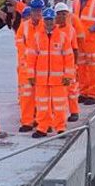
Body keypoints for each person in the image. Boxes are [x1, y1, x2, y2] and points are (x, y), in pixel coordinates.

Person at [27, 7, 76, 138]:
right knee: (42, 105)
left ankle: (60, 128)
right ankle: (42, 128)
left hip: (59, 79)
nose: (49, 22)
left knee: (59, 105)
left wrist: (68, 76)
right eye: (47, 19)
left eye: (51, 19)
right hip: (41, 79)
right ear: (44, 20)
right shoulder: (37, 37)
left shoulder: (62, 37)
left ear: (55, 20)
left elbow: (69, 58)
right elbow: (31, 58)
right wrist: (30, 75)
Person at [17, 0, 45, 131]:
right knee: (26, 96)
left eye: (39, 11)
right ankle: (27, 122)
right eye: (35, 11)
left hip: (42, 67)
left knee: (43, 97)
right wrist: (27, 58)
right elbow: (19, 42)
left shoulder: (47, 25)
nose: (37, 14)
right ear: (31, 11)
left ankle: (43, 123)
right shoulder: (24, 26)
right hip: (27, 67)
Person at [55, 1, 81, 122]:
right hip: (56, 66)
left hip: (69, 66)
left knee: (71, 90)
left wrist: (75, 65)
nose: (62, 16)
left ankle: (74, 112)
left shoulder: (71, 30)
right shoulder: (52, 30)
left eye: (64, 14)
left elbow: (75, 49)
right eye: (59, 14)